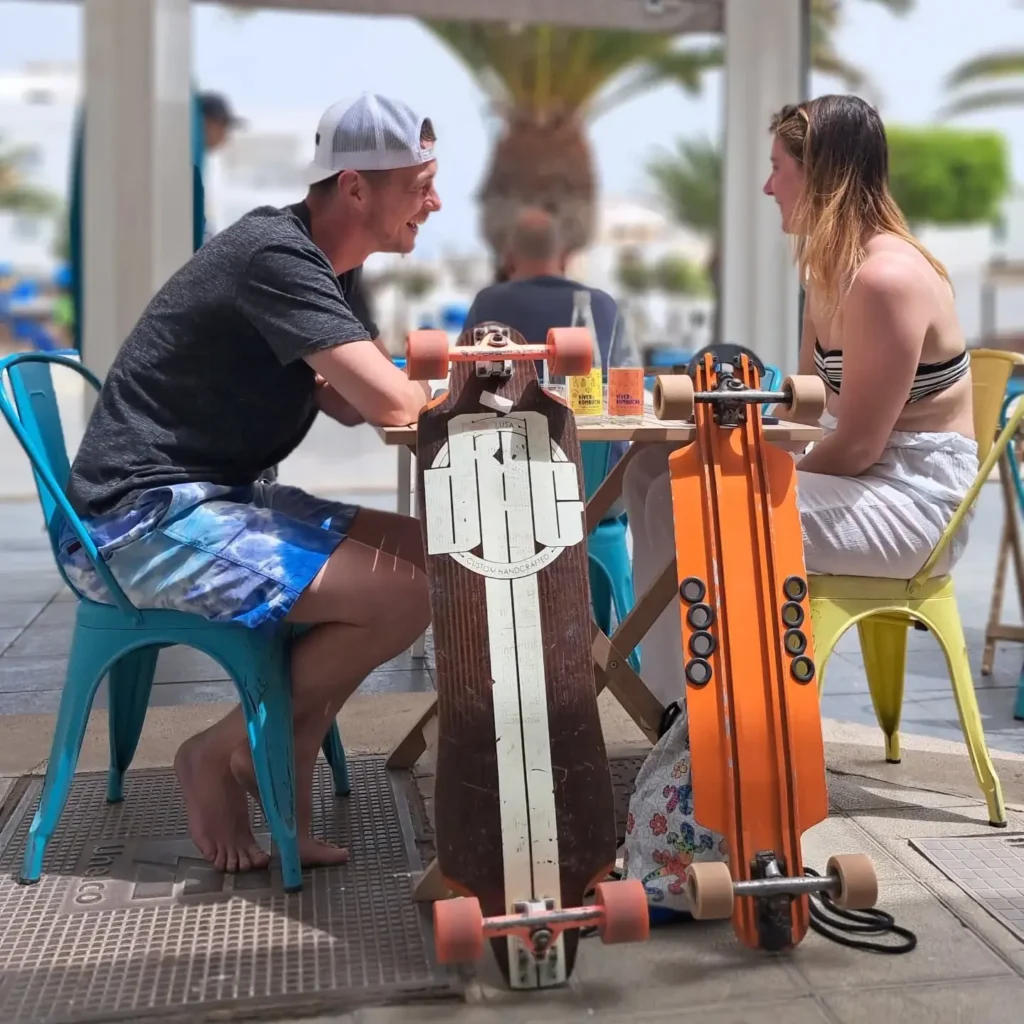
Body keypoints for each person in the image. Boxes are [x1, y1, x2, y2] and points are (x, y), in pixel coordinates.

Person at [58, 93, 442, 874]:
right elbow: (394, 405)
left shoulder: (330, 269)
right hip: (138, 522)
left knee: (433, 554)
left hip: (216, 499)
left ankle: (283, 749)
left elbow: (351, 403)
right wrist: (422, 386)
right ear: (355, 187)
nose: (434, 204)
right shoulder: (277, 256)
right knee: (408, 593)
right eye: (420, 185)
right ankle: (218, 749)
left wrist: (399, 383)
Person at [620, 94, 978, 904]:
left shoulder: (885, 279)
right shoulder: (825, 273)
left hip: (912, 499)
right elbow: (807, 417)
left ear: (819, 175)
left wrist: (755, 460)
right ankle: (680, 705)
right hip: (858, 473)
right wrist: (736, 439)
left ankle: (704, 723)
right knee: (654, 475)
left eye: (777, 168)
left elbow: (859, 445)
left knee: (707, 506)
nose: (766, 187)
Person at [464, 206, 627, 467]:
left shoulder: (487, 303)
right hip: (598, 472)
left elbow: (463, 387)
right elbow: (624, 383)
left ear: (509, 259)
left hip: (504, 469)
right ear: (565, 257)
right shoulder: (603, 305)